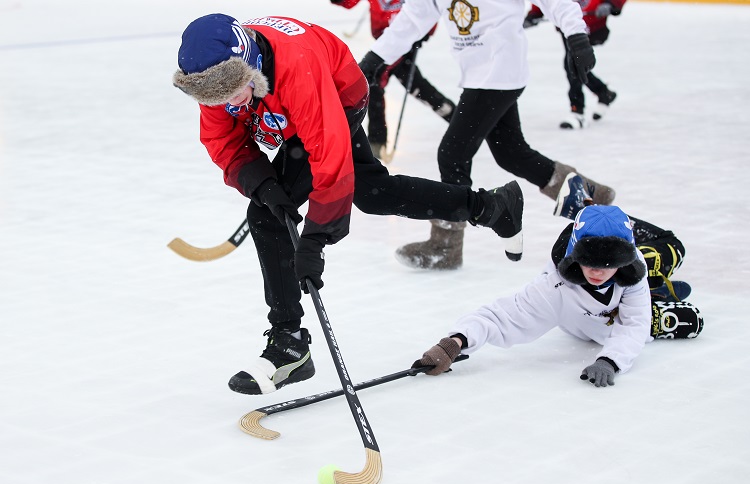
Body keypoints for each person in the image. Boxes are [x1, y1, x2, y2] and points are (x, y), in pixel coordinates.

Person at [172, 13, 524, 396]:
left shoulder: (295, 69)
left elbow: (330, 159)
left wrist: (315, 240)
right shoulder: (215, 78)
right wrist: (261, 182)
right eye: (217, 98)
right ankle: (490, 207)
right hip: (291, 108)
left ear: (249, 62)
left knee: (265, 219)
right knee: (372, 192)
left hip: (339, 95)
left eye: (234, 90)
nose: (230, 102)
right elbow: (223, 142)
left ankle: (289, 346)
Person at [357, 0, 617, 271]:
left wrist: (576, 36)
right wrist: (376, 58)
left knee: (452, 154)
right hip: (479, 73)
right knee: (512, 154)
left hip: (500, 70)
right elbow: (412, 20)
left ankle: (446, 244)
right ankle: (591, 197)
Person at [412, 200, 703, 388]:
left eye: (609, 263)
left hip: (627, 295)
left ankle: (658, 287)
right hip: (593, 324)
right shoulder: (554, 287)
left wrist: (610, 360)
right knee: (688, 321)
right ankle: (663, 296)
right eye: (589, 261)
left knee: (673, 247)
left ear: (623, 261)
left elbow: (634, 324)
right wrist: (455, 342)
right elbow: (502, 317)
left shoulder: (632, 269)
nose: (597, 272)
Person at [330, 0, 456, 159]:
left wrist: (424, 33)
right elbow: (349, 3)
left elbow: (427, 10)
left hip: (401, 44)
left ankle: (377, 143)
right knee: (416, 87)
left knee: (373, 82)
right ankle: (457, 117)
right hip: (383, 46)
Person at [524, 0, 626, 129]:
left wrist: (611, 4)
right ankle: (602, 93)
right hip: (567, 24)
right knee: (572, 63)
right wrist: (534, 14)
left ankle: (578, 110)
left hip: (591, 23)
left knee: (573, 63)